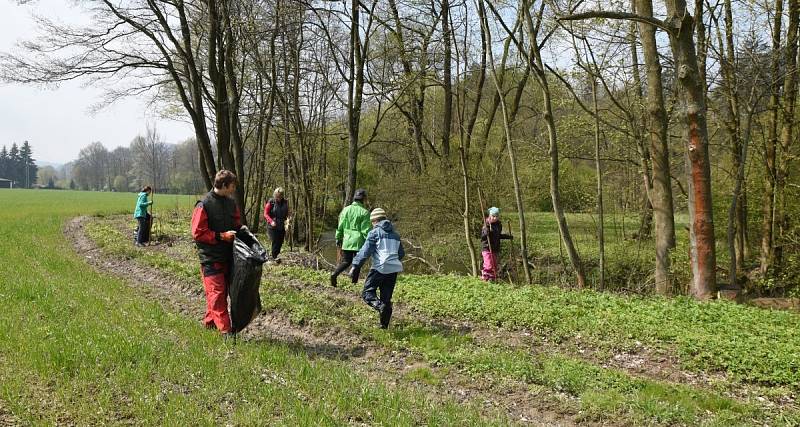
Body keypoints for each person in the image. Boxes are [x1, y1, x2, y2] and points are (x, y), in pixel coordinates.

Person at [190, 170, 242, 339]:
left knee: (221, 293)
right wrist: (220, 236)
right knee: (217, 294)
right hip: (210, 258)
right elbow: (198, 233)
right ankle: (226, 332)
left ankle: (209, 324)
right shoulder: (204, 204)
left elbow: (237, 222)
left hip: (228, 257)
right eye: (232, 186)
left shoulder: (231, 203)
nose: (234, 189)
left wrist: (242, 232)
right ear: (225, 185)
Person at [349, 208, 405, 329]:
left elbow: (365, 251)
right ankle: (383, 326)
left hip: (379, 268)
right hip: (393, 270)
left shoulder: (374, 233)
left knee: (367, 293)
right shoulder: (396, 235)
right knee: (386, 298)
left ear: (374, 220)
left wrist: (355, 266)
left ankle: (380, 307)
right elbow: (401, 254)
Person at [331, 188, 370, 287]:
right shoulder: (365, 213)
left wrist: (338, 238)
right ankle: (354, 283)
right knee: (358, 263)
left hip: (347, 241)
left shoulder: (346, 210)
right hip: (359, 242)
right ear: (364, 199)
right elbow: (365, 231)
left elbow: (340, 226)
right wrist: (370, 241)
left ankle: (334, 274)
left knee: (346, 261)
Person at [480, 206, 513, 281]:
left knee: (494, 265)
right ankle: (485, 277)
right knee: (488, 264)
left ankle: (492, 278)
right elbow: (482, 237)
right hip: (487, 248)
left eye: (496, 216)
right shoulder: (487, 224)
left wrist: (508, 237)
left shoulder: (498, 225)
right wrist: (486, 233)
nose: (495, 218)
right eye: (493, 216)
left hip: (495, 248)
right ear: (490, 216)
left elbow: (498, 236)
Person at [263, 187, 290, 262]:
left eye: (280, 196)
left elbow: (288, 214)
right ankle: (274, 257)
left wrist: (288, 221)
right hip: (272, 226)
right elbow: (265, 214)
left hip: (282, 225)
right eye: (277, 196)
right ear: (274, 195)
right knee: (275, 241)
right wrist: (271, 221)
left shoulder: (285, 202)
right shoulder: (271, 202)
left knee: (280, 242)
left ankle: (276, 256)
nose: (278, 198)